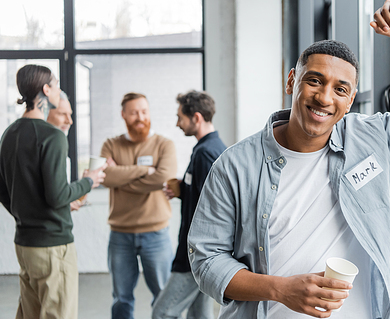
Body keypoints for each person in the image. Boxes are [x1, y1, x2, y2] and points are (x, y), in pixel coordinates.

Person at [187, 0, 390, 319]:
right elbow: (206, 260)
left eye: (340, 89)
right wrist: (281, 289)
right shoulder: (234, 167)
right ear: (292, 82)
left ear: (351, 100)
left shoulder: (375, 140)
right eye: (314, 80)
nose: (324, 97)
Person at [0, 64, 106, 319]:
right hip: (53, 246)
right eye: (57, 85)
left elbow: (6, 191)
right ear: (46, 90)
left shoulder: (9, 133)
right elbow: (57, 194)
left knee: (30, 314)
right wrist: (89, 181)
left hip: (24, 244)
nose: (59, 90)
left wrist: (33, 211)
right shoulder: (53, 136)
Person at [100, 92, 177, 319]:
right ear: (123, 115)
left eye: (144, 111)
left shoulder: (164, 144)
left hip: (156, 233)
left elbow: (164, 177)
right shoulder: (111, 144)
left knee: (163, 295)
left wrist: (121, 179)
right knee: (121, 298)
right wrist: (144, 171)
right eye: (133, 112)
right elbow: (104, 177)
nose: (139, 117)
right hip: (120, 234)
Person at [152, 91, 226, 319]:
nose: (177, 124)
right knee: (199, 316)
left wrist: (195, 254)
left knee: (162, 313)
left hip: (196, 253)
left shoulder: (205, 153)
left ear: (196, 118)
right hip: (203, 251)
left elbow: (213, 208)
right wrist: (183, 190)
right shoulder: (210, 148)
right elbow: (206, 195)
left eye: (180, 118)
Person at [47, 92, 84, 212]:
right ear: (45, 114)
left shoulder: (60, 148)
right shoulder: (43, 151)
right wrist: (88, 181)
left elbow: (58, 196)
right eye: (62, 114)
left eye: (70, 114)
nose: (69, 121)